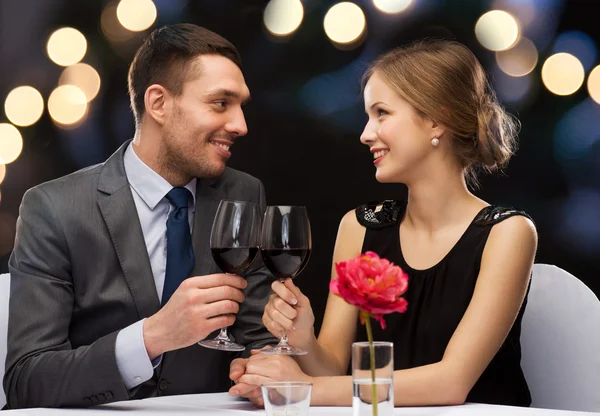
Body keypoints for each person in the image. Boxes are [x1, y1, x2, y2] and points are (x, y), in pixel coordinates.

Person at [231, 39, 537, 407]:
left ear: (436, 119)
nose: (365, 133)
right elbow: (331, 368)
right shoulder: (360, 227)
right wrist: (303, 340)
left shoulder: (507, 233)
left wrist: (301, 389)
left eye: (381, 113)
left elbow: (450, 383)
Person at [4, 23, 276, 409]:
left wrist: (266, 361)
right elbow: (26, 380)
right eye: (220, 103)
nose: (240, 125)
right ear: (158, 104)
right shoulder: (54, 208)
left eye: (240, 106)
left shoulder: (244, 194)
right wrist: (152, 337)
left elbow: (258, 336)